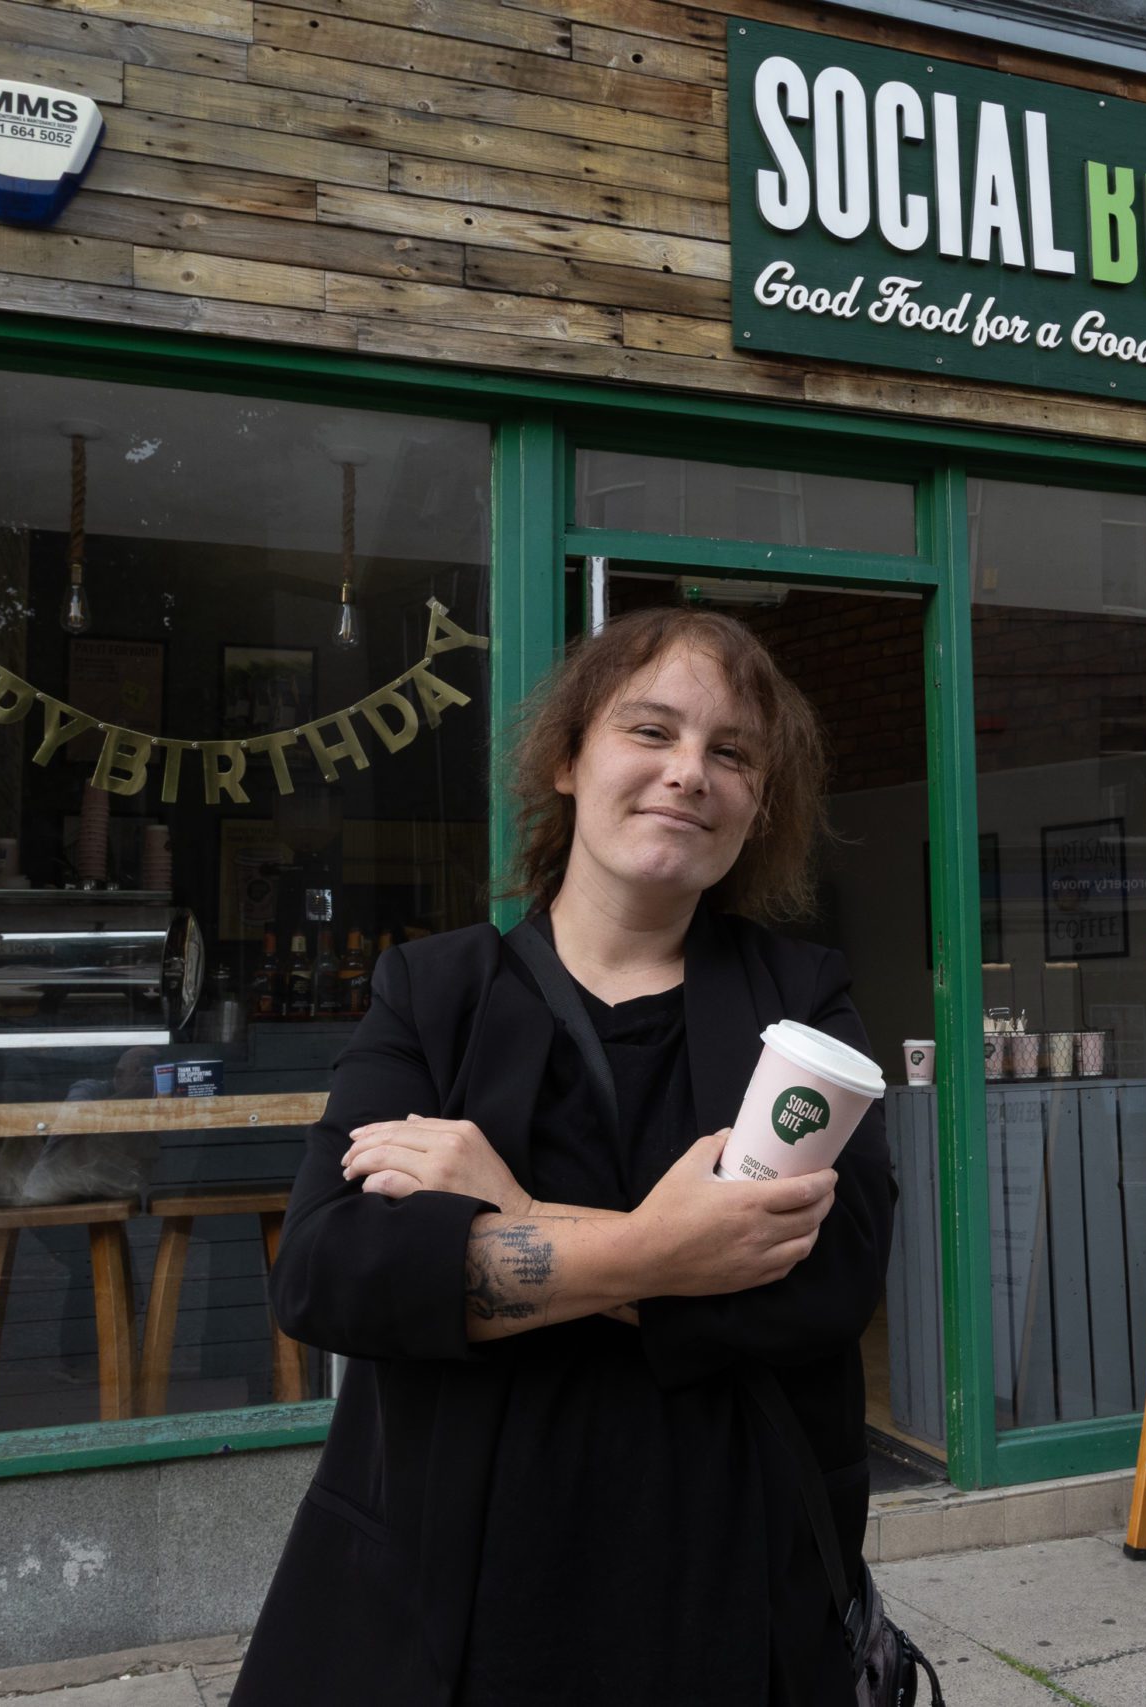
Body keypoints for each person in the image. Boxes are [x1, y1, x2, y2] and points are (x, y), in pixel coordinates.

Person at [231, 607, 892, 1706]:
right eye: (652, 732)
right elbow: (329, 1271)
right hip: (459, 1596)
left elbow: (823, 1288)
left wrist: (510, 1207)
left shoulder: (800, 1008)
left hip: (725, 1596)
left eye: (731, 754)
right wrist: (659, 1251)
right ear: (567, 760)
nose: (690, 773)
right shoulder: (431, 994)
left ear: (757, 805)